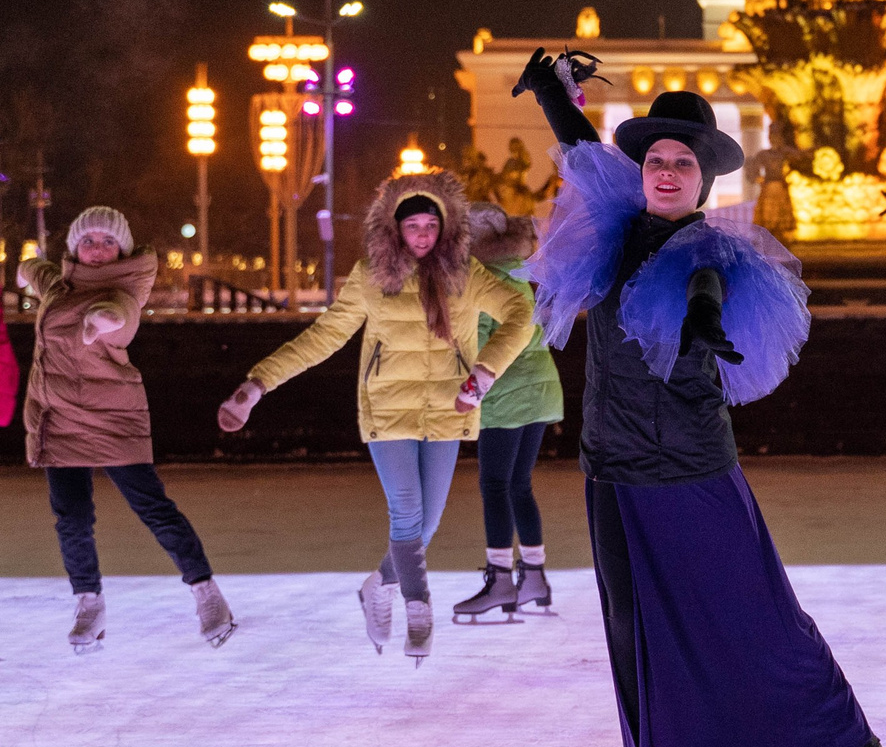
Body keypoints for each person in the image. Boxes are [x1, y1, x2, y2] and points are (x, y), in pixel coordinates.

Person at [514, 48, 886, 747]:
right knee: (632, 629)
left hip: (692, 464)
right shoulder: (611, 230)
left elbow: (700, 284)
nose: (666, 172)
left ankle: (850, 736)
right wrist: (553, 90)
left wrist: (702, 318)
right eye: (655, 159)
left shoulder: (713, 252)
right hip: (611, 466)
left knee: (760, 619)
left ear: (703, 180)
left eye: (684, 163)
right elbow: (585, 154)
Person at [220, 172, 531, 665]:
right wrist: (256, 385)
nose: (423, 234)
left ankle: (377, 586)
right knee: (406, 514)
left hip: (449, 411)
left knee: (425, 528)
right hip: (387, 412)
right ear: (394, 229)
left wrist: (485, 373)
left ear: (446, 227)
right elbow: (322, 338)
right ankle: (417, 606)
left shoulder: (466, 277)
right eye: (414, 226)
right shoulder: (370, 277)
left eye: (432, 224)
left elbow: (520, 309)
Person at [21, 206, 234, 653]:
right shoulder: (60, 286)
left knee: (154, 509)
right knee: (71, 518)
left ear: (123, 249)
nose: (97, 250)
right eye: (89, 241)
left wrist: (102, 322)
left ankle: (207, 593)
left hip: (112, 418)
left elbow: (120, 316)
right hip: (58, 419)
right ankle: (88, 602)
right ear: (75, 247)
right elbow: (37, 271)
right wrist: (25, 271)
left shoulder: (123, 291)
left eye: (108, 242)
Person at [452, 204, 567, 622]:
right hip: (540, 390)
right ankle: (533, 576)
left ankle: (500, 578)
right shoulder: (519, 273)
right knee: (518, 484)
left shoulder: (484, 282)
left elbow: (479, 344)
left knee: (495, 485)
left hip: (507, 394)